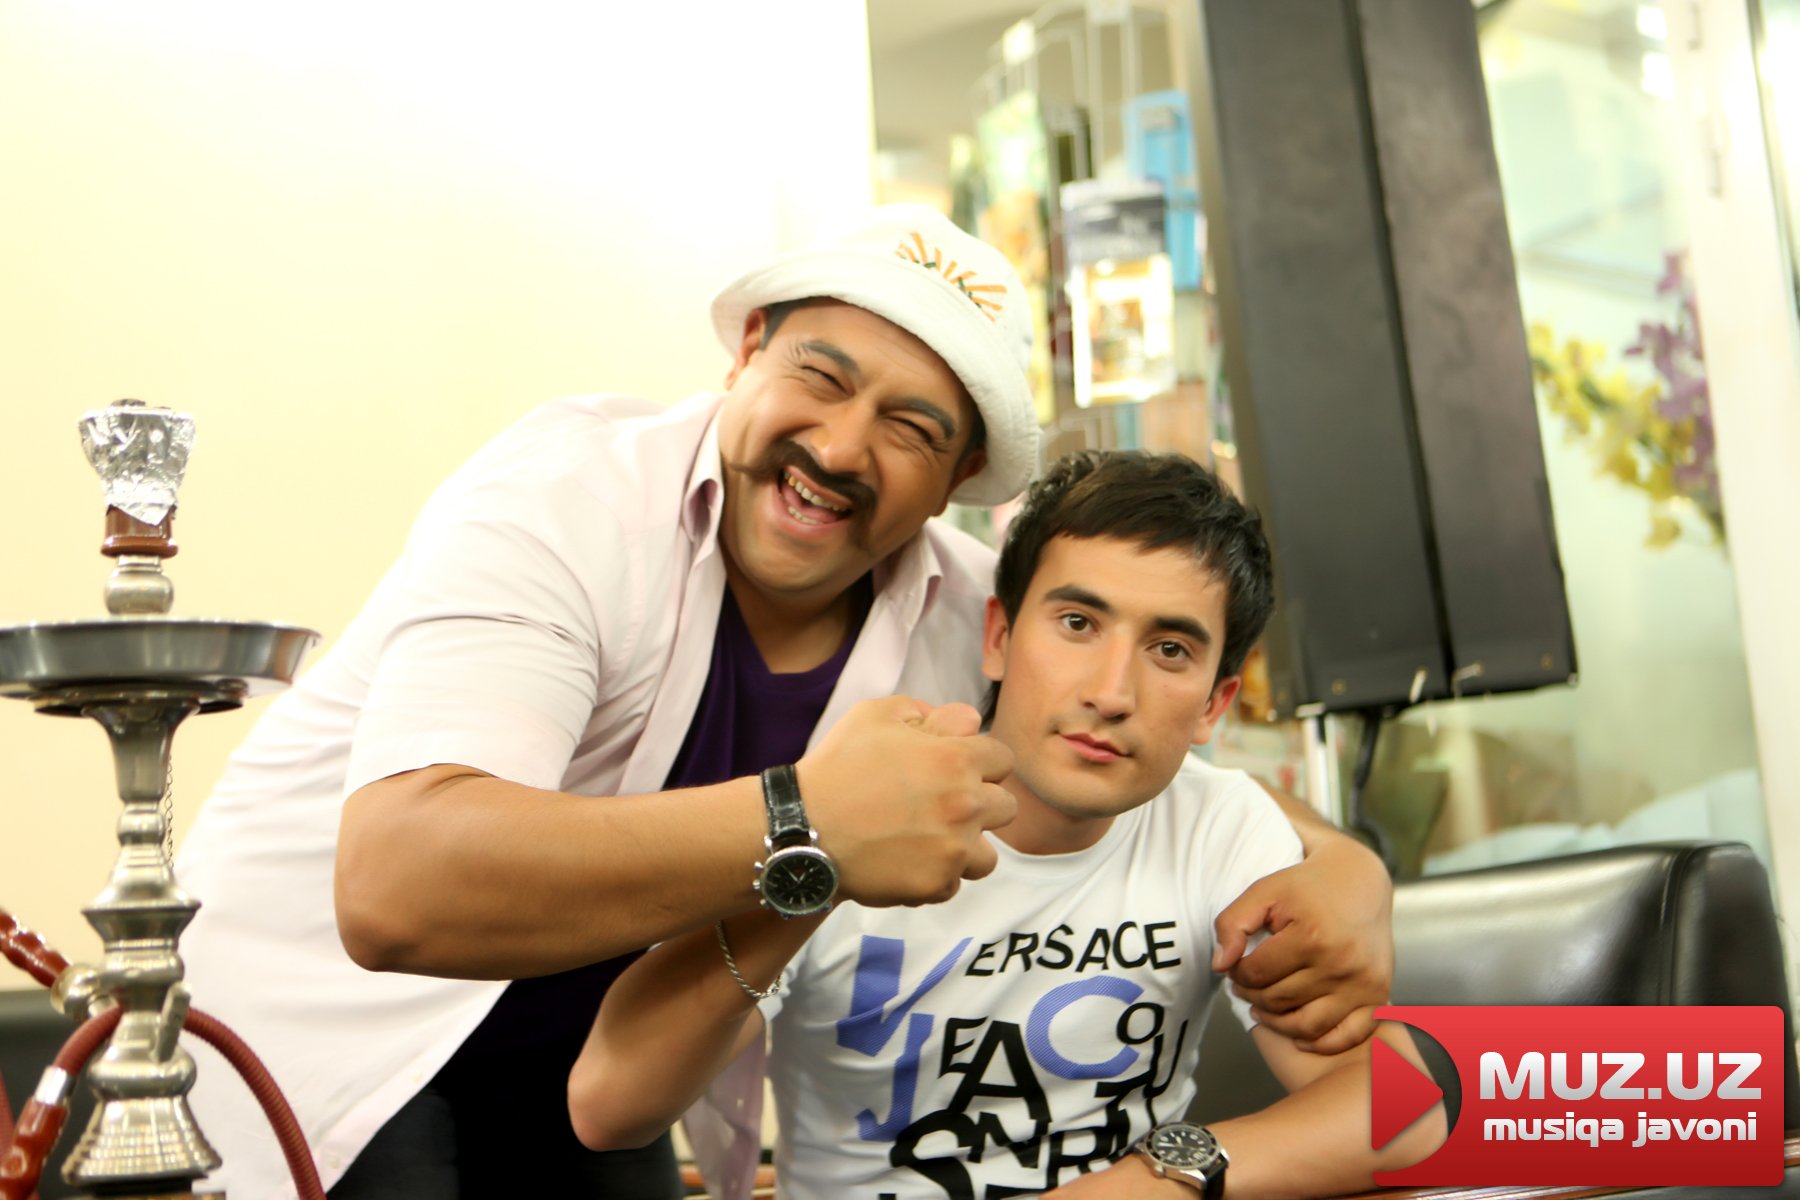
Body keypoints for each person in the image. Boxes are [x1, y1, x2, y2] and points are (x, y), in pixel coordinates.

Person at [174, 206, 1394, 1200]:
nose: (843, 448)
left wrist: (1343, 869)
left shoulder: (975, 618)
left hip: (588, 1068)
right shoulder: (566, 503)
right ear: (747, 348)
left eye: (913, 427)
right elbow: (396, 890)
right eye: (821, 374)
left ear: (960, 478)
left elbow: (1116, 740)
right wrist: (808, 827)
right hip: (328, 1025)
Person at [570, 450, 1446, 1199]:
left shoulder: (1216, 825)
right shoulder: (863, 803)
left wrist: (1155, 1179)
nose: (1111, 691)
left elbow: (1410, 1107)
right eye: (1077, 622)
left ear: (1216, 702)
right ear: (998, 637)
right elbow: (608, 1107)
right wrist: (817, 863)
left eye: (1170, 649)